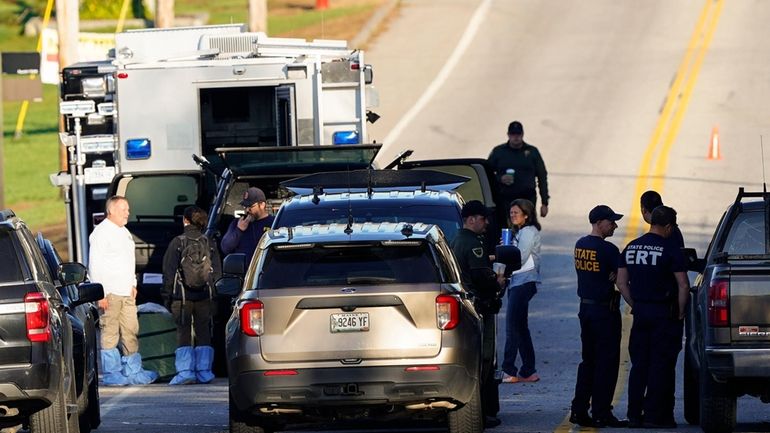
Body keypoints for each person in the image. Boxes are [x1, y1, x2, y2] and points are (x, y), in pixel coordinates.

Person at [617, 206, 689, 429]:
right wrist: (680, 311)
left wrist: (635, 304)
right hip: (663, 314)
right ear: (668, 226)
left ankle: (634, 415)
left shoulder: (631, 247)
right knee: (661, 365)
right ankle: (655, 416)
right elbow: (683, 285)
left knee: (639, 365)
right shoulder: (670, 250)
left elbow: (621, 282)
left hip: (641, 314)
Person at [569, 205, 628, 428]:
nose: (615, 225)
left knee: (589, 361)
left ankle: (579, 409)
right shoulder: (609, 250)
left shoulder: (580, 245)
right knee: (607, 363)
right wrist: (613, 278)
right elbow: (622, 279)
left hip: (586, 309)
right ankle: (602, 412)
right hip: (605, 311)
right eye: (611, 222)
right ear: (599, 222)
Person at [89, 196, 158, 386]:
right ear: (111, 211)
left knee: (130, 329)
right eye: (123, 209)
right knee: (110, 332)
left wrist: (133, 283)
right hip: (109, 292)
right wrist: (99, 293)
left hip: (126, 291)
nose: (127, 212)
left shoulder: (124, 232)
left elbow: (128, 261)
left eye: (128, 209)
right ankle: (112, 373)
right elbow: (95, 264)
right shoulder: (101, 233)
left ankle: (133, 370)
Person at [451, 200, 505, 429]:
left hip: (465, 307)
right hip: (479, 307)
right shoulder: (473, 243)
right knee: (485, 358)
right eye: (483, 218)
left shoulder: (455, 240)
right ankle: (485, 411)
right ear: (471, 219)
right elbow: (481, 276)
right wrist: (498, 281)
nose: (486, 223)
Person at [162, 206, 222, 385]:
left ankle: (185, 372)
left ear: (185, 220)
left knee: (183, 332)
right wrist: (215, 292)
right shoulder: (209, 242)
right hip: (205, 294)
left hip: (182, 297)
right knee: (204, 331)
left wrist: (167, 295)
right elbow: (217, 271)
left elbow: (169, 271)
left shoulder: (178, 242)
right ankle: (204, 371)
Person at [501, 199, 541, 384]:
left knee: (512, 327)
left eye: (516, 212)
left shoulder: (528, 232)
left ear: (526, 214)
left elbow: (521, 257)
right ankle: (528, 370)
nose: (513, 215)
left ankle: (509, 370)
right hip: (518, 282)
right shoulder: (519, 232)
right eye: (511, 213)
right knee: (521, 328)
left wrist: (503, 254)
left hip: (524, 282)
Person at [487, 121, 550, 235]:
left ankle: (525, 251)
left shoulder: (532, 152)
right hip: (505, 200)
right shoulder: (499, 152)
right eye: (513, 134)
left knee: (527, 230)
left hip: (527, 200)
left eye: (518, 134)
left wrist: (544, 202)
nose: (516, 137)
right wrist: (500, 178)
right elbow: (487, 173)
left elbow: (542, 177)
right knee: (506, 229)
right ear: (508, 135)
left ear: (522, 135)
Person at [221, 187, 275, 265]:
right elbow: (225, 247)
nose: (247, 210)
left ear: (262, 205)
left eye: (250, 206)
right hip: (243, 272)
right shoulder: (238, 223)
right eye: (245, 206)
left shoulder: (273, 223)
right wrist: (239, 230)